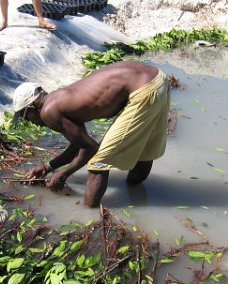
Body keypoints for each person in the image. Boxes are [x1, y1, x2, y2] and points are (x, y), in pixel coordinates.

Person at [12, 61, 171, 208]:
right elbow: (78, 145)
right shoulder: (57, 99)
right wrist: (48, 167)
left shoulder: (48, 112)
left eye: (26, 117)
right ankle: (136, 193)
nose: (30, 122)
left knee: (98, 163)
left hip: (144, 90)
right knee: (144, 149)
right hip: (158, 79)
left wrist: (63, 174)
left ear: (32, 107)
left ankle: (89, 213)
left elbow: (90, 149)